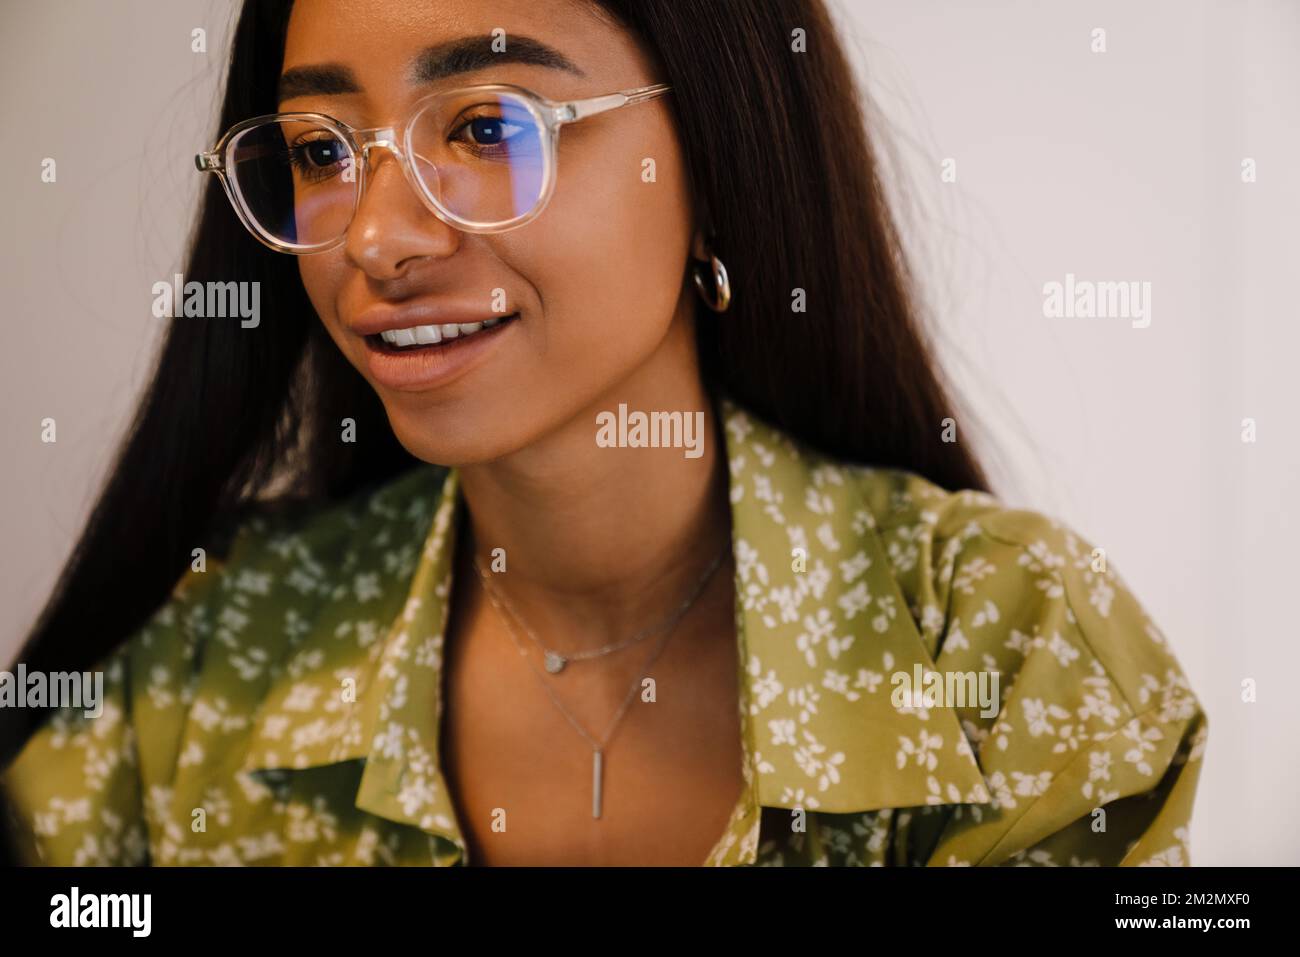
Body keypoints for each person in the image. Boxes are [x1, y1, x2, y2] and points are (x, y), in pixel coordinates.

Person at [0, 0, 1206, 866]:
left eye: (485, 125)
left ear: (716, 157)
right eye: (322, 152)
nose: (374, 239)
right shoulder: (203, 671)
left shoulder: (1004, 651)